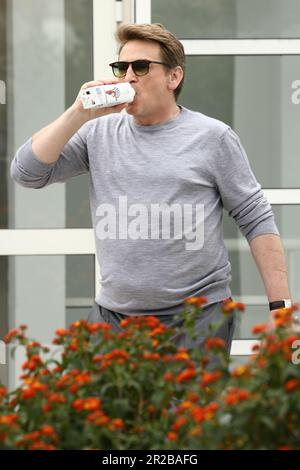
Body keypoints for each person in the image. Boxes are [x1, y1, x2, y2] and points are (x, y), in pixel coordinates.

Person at [10, 23, 291, 355]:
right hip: (114, 317)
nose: (128, 76)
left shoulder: (212, 138)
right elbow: (27, 172)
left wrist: (280, 308)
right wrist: (78, 113)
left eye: (141, 67)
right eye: (121, 67)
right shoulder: (98, 132)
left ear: (174, 78)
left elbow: (255, 218)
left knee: (186, 410)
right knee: (100, 408)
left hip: (196, 319)